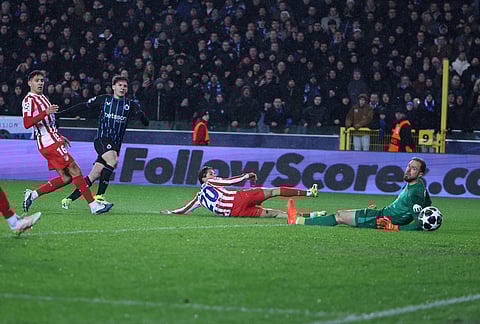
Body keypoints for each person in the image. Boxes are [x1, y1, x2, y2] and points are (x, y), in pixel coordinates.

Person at [22, 70, 112, 215]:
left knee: (66, 178)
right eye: (37, 80)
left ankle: (32, 195)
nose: (40, 83)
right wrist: (45, 112)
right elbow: (26, 123)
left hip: (53, 139)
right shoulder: (29, 100)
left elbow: (49, 123)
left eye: (42, 80)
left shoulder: (43, 97)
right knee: (75, 169)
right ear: (29, 83)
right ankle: (94, 205)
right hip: (47, 142)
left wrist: (58, 135)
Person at [58, 75, 149, 209]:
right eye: (120, 85)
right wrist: (60, 114)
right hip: (102, 140)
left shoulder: (130, 105)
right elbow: (83, 106)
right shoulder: (104, 99)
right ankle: (100, 197)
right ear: (113, 87)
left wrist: (141, 116)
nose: (122, 88)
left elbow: (146, 123)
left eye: (125, 86)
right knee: (112, 162)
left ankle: (68, 200)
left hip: (115, 145)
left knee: (93, 175)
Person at [296, 157, 431, 231]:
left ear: (420, 174)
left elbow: (418, 224)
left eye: (413, 168)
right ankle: (301, 221)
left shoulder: (415, 192)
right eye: (408, 166)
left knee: (339, 217)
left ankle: (300, 222)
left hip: (381, 220)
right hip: (381, 213)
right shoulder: (417, 185)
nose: (408, 170)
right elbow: (428, 205)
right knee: (340, 214)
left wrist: (395, 227)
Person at [161, 166, 319, 217]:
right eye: (210, 173)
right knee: (273, 192)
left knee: (274, 214)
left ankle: (309, 217)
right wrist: (247, 175)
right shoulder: (211, 182)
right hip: (239, 198)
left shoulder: (198, 198)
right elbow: (230, 181)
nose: (213, 175)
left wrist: (171, 212)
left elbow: (185, 209)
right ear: (203, 179)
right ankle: (309, 193)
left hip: (235, 212)